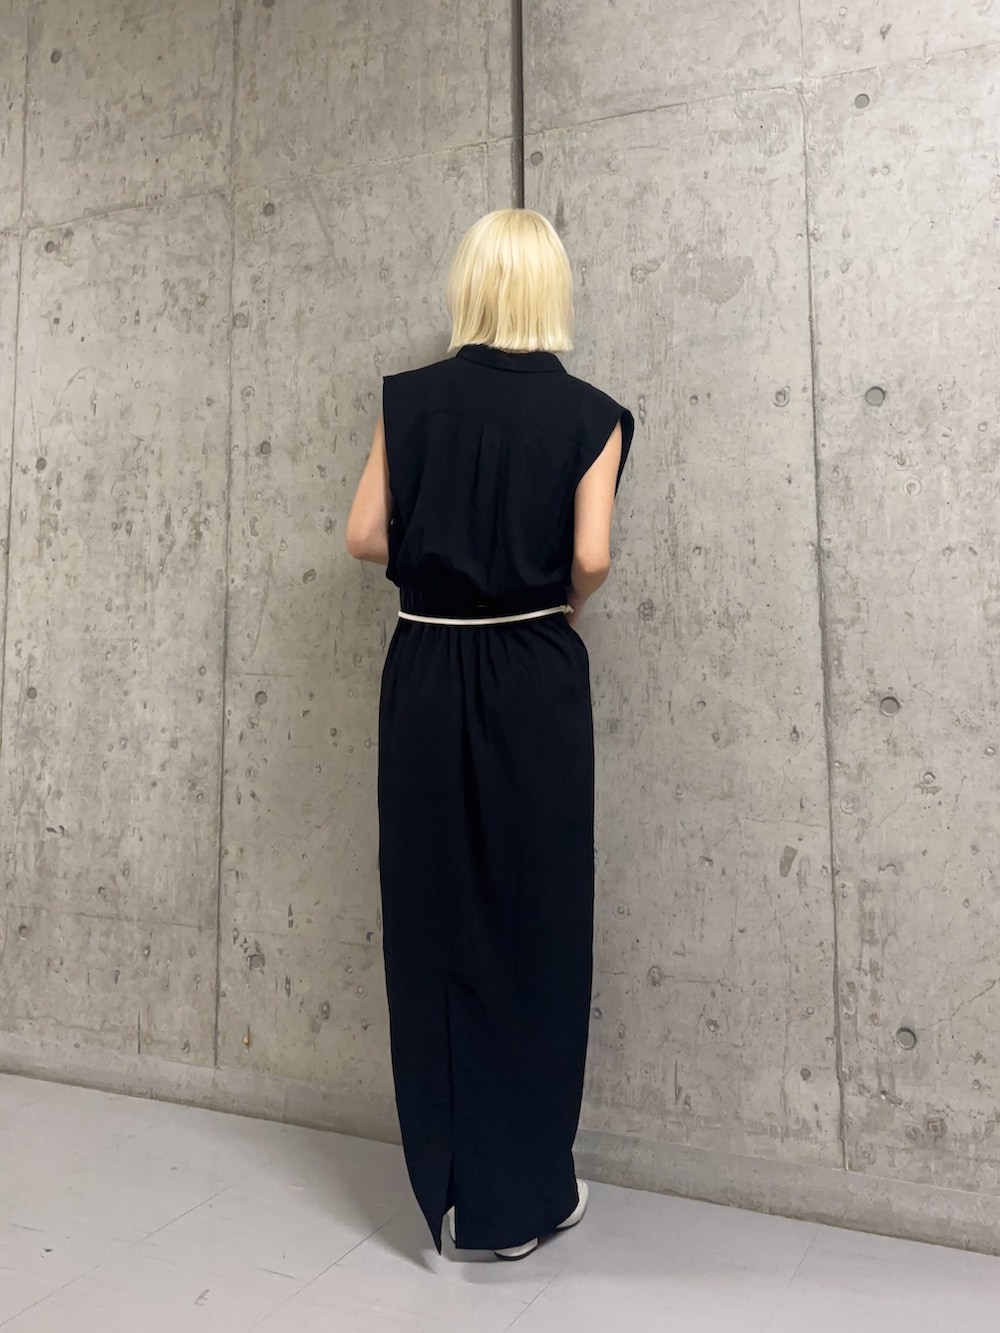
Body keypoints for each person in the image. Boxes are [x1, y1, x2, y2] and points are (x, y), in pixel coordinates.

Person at [345, 208, 635, 1261]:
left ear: (467, 285)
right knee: (535, 920)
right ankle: (525, 1198)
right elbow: (591, 558)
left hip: (425, 665)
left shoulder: (408, 399)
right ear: (552, 291)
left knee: (432, 913)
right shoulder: (592, 415)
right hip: (530, 673)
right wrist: (554, 598)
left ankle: (451, 1182)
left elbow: (363, 535)